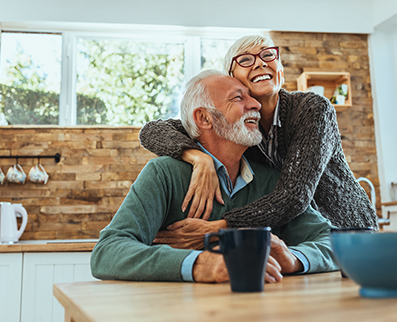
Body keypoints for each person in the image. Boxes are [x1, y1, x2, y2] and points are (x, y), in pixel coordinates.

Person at [91, 70, 338, 282]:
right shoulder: (164, 174)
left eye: (251, 97)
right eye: (238, 98)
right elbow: (108, 252)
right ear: (204, 118)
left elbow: (333, 243)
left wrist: (293, 259)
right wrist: (201, 264)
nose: (256, 105)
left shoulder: (272, 182)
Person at [139, 34, 377, 249]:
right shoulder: (235, 127)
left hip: (346, 231)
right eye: (245, 60)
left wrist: (220, 227)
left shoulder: (312, 109)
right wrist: (198, 157)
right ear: (233, 80)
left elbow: (294, 195)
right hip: (297, 240)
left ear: (280, 71)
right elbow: (152, 131)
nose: (261, 63)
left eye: (267, 55)